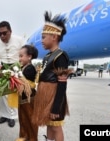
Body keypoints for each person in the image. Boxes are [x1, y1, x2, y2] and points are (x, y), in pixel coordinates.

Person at [32, 11, 70, 141]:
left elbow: (62, 83)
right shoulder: (47, 56)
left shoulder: (61, 56)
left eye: (43, 37)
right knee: (49, 123)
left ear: (54, 37)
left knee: (56, 126)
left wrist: (56, 106)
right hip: (45, 95)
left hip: (55, 97)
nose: (41, 40)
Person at [0, 21, 25, 127]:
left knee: (13, 93)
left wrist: (20, 68)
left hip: (17, 67)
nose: (2, 36)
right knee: (2, 94)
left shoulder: (19, 40)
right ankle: (4, 115)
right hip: (3, 68)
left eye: (4, 33)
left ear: (10, 31)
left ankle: (12, 117)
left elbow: (24, 55)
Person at [17, 45, 39, 141]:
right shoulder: (23, 67)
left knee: (30, 121)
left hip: (29, 100)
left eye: (21, 56)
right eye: (19, 56)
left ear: (29, 57)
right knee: (23, 120)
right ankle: (24, 137)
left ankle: (32, 138)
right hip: (22, 99)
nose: (19, 58)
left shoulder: (30, 68)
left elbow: (25, 81)